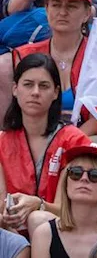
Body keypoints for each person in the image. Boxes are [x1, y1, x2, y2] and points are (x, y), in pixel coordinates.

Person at [5, 0, 97, 137]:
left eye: (71, 5)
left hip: (83, 139)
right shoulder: (25, 55)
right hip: (34, 138)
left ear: (86, 14)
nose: (62, 12)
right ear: (46, 9)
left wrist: (65, 143)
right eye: (56, 4)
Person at [0, 54, 90, 228]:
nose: (35, 92)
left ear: (56, 93)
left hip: (65, 231)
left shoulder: (75, 141)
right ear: (15, 89)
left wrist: (39, 205)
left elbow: (82, 208)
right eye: (28, 85)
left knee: (38, 220)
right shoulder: (2, 141)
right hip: (14, 235)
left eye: (43, 86)